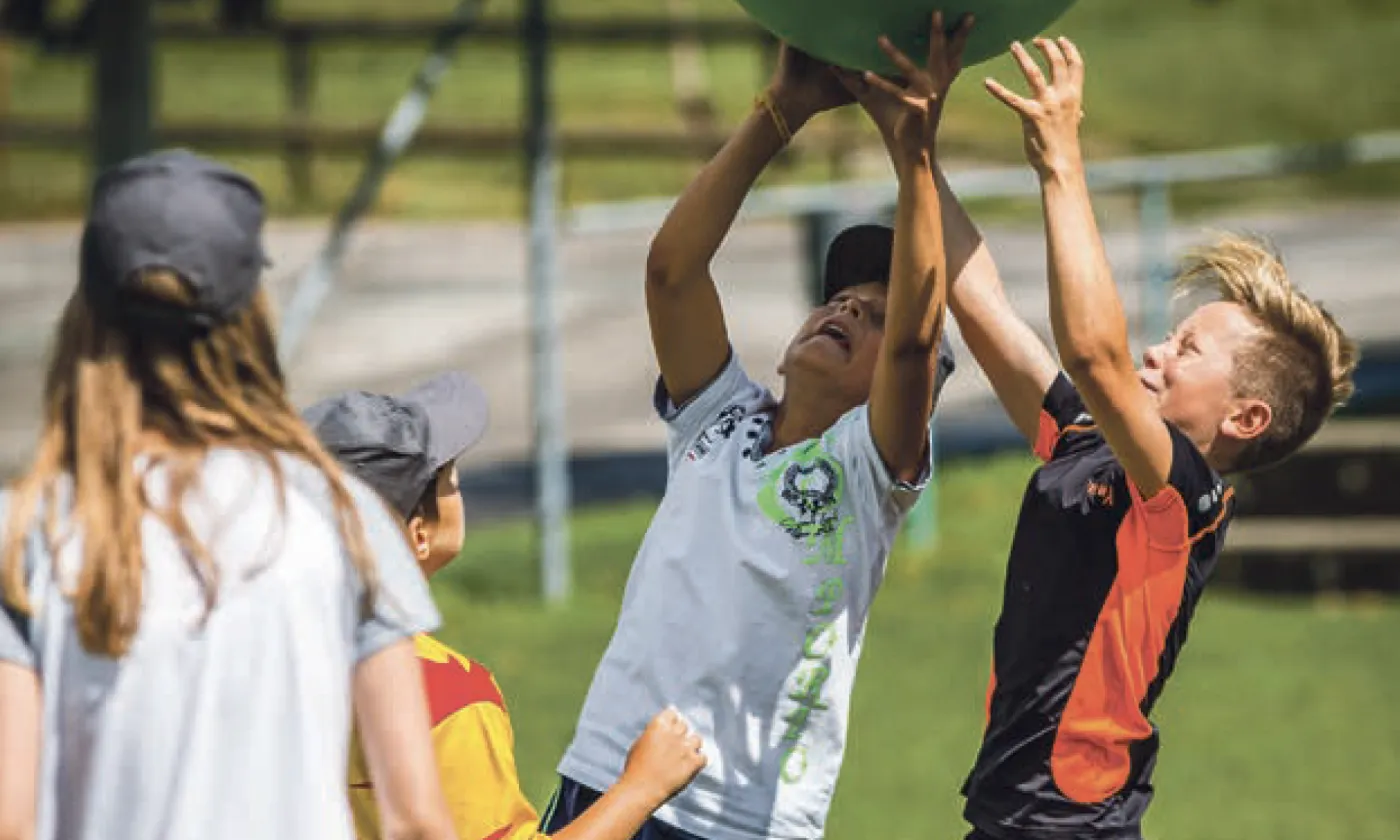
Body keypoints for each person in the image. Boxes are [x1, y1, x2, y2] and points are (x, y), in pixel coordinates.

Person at [547, 15, 969, 840]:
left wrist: (913, 154)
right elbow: (671, 272)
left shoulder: (864, 473)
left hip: (739, 819)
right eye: (841, 298)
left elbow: (916, 344)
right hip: (608, 773)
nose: (849, 308)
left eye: (875, 313)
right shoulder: (718, 421)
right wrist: (780, 111)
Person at [937, 37, 1359, 839]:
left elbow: (1094, 353)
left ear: (1244, 418)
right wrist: (913, 141)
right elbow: (978, 302)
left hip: (1068, 825)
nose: (1159, 351)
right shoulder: (1088, 440)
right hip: (1016, 817)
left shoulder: (1186, 503)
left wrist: (1060, 158)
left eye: (1188, 349)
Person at [0, 150, 457, 840]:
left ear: (86, 314)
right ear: (250, 314)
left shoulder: (28, 531)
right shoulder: (341, 518)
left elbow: (13, 820)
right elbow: (418, 822)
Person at [303, 378, 708, 840]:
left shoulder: (267, 662)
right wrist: (642, 786)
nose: (457, 487)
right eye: (448, 479)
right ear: (418, 535)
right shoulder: (441, 699)